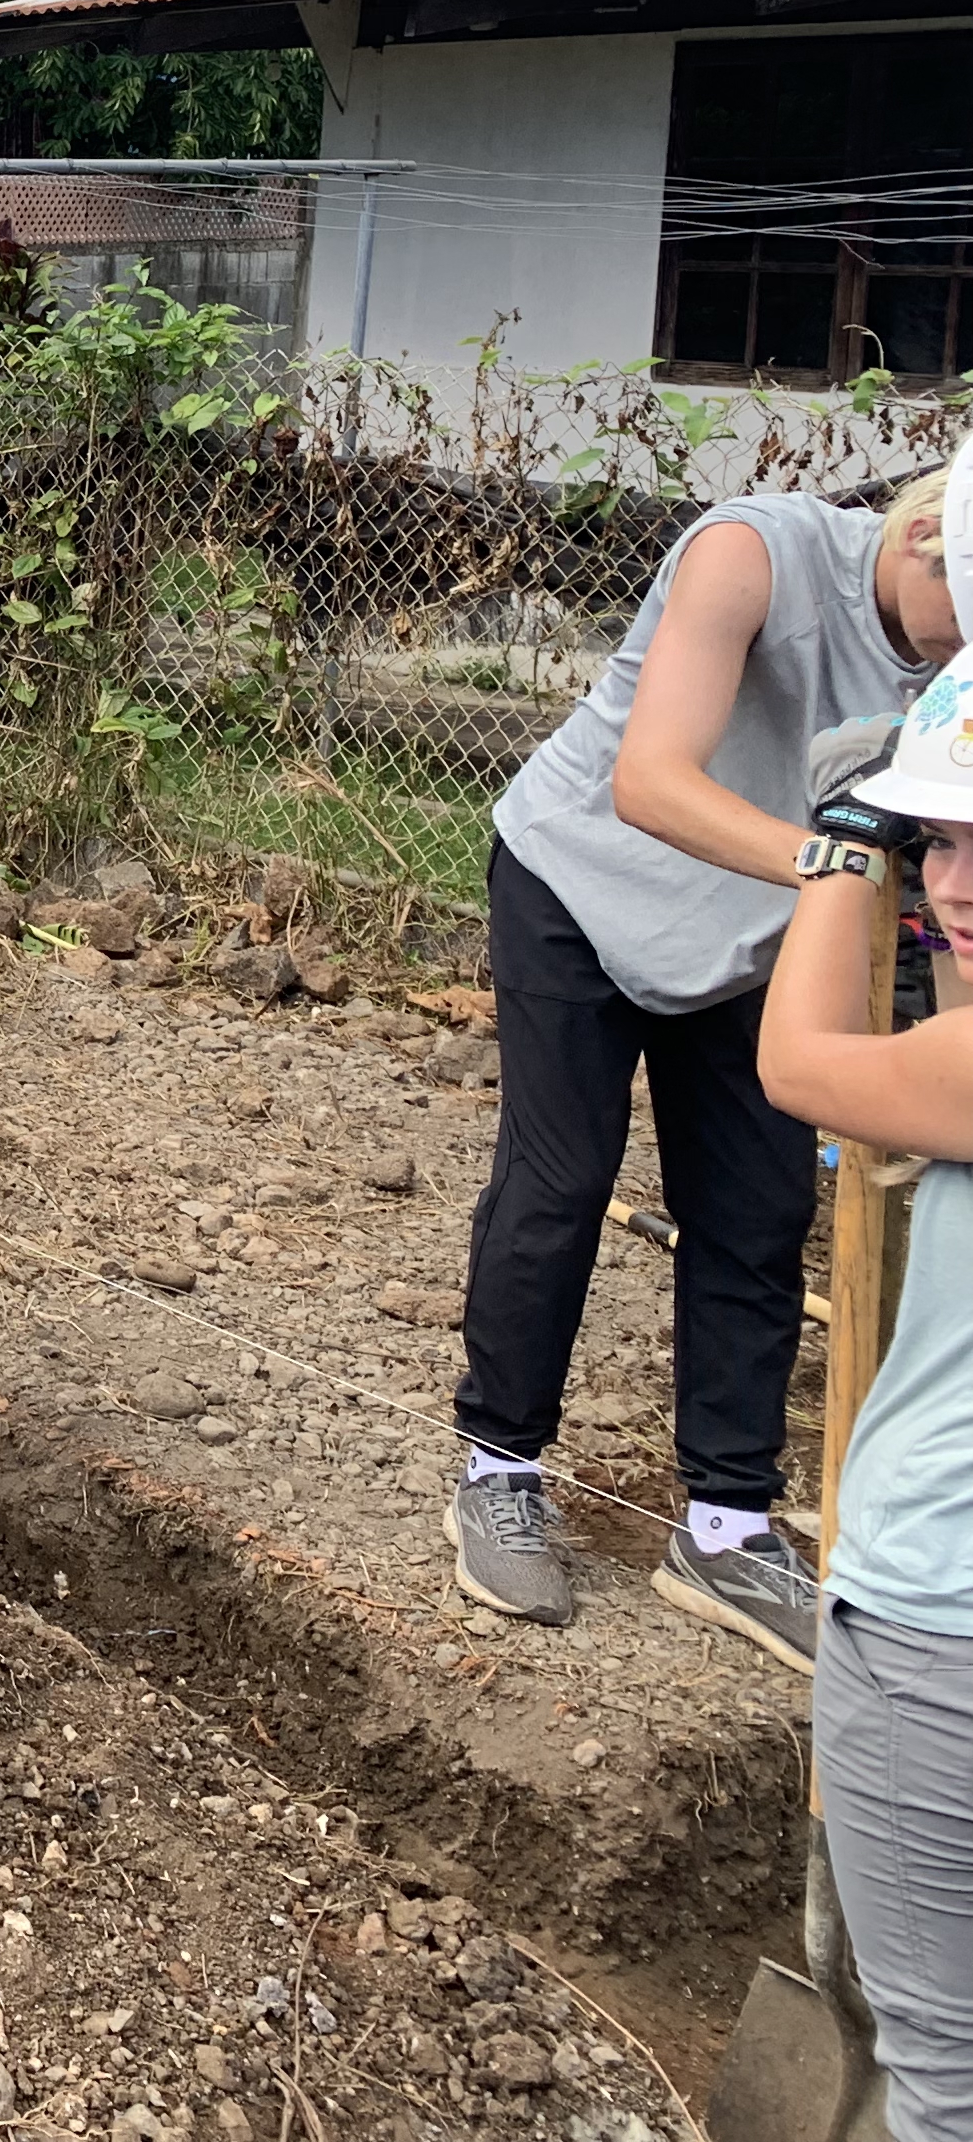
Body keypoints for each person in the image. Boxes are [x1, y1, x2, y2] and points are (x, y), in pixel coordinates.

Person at [450, 469, 954, 1670]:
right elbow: (651, 781)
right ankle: (498, 1470)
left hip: (752, 931)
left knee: (760, 1206)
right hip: (583, 884)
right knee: (560, 1181)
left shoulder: (957, 652)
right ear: (927, 540)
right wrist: (842, 868)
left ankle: (726, 1529)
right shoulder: (753, 553)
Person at [757, 657, 973, 2142]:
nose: (952, 881)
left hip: (935, 1629)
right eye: (940, 839)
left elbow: (800, 1063)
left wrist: (850, 844)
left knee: (942, 2085)